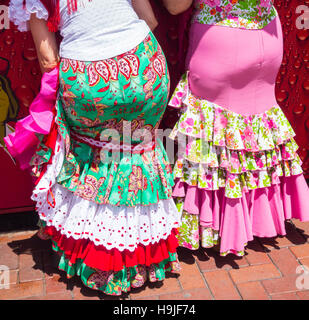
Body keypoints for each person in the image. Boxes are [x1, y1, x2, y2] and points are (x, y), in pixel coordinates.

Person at [5, 0, 181, 296]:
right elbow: (149, 19)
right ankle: (146, 261)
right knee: (138, 153)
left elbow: (48, 61)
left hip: (88, 77)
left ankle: (103, 264)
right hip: (143, 62)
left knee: (95, 160)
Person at [163, 0, 309, 256]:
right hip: (267, 31)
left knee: (213, 132)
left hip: (221, 39)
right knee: (257, 129)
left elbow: (176, 6)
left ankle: (218, 225)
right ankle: (259, 220)